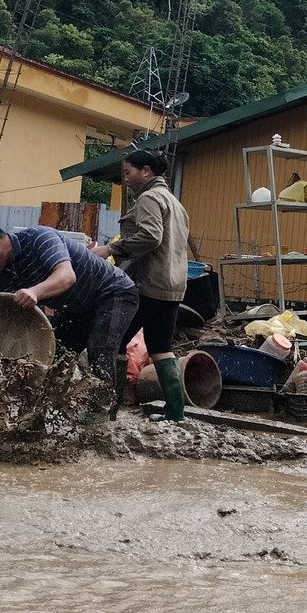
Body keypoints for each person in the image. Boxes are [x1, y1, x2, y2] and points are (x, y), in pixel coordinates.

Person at [0, 220, 139, 419]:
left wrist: (34, 291)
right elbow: (11, 320)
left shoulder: (40, 238)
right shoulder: (6, 277)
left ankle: (103, 417)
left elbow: (67, 276)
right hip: (78, 308)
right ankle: (34, 417)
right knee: (53, 355)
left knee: (100, 349)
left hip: (114, 292)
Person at [92, 148, 191, 421]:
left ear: (145, 171)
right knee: (160, 346)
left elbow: (151, 236)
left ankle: (106, 412)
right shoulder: (174, 202)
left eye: (128, 172)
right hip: (173, 286)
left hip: (148, 283)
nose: (125, 179)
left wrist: (110, 249)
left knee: (115, 341)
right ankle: (175, 413)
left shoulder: (149, 198)